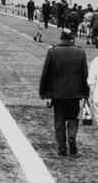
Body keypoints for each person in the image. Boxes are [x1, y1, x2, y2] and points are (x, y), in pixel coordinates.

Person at [38, 28, 89, 156]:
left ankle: (62, 146)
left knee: (59, 120)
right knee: (72, 117)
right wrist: (86, 92)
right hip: (74, 92)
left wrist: (43, 92)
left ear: (61, 38)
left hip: (58, 92)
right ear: (72, 38)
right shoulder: (80, 52)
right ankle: (72, 137)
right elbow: (84, 75)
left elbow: (46, 73)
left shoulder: (53, 51)